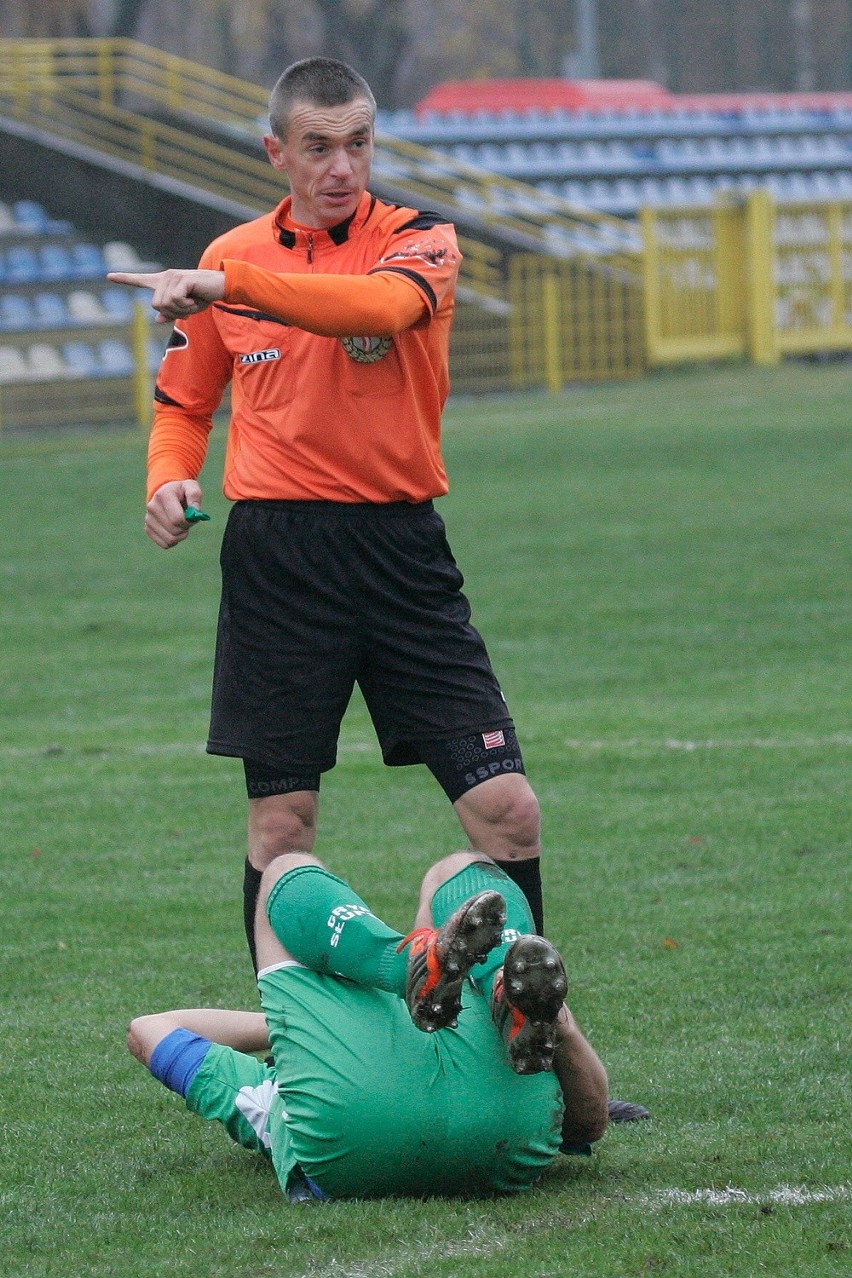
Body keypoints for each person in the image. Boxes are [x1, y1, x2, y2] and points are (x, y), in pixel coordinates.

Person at [108, 55, 548, 972]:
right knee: (282, 822)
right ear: (278, 152)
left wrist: (231, 286)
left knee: (507, 808)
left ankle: (529, 1054)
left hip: (400, 554)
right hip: (279, 560)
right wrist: (167, 476)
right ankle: (294, 1070)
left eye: (358, 143)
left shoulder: (420, 240)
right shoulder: (231, 257)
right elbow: (186, 402)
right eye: (318, 147)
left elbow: (380, 308)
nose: (342, 167)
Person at [127, 850, 610, 1201]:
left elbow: (148, 1029)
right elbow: (587, 1126)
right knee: (456, 869)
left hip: (351, 1143)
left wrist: (284, 1032)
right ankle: (496, 987)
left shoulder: (266, 1093)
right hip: (511, 1131)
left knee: (281, 871)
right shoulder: (467, 1013)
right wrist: (562, 1031)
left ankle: (407, 964)